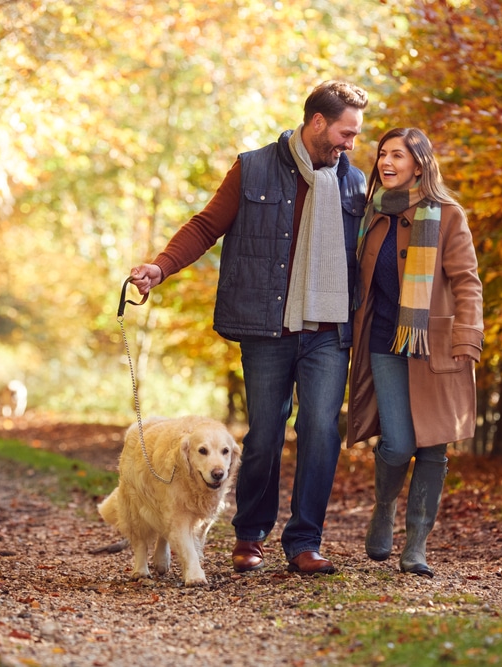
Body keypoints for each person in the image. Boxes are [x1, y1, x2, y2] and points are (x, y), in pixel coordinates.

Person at [128, 81, 369, 575]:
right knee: (264, 434)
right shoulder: (253, 167)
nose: (351, 144)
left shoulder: (354, 182)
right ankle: (251, 534)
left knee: (321, 429)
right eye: (346, 132)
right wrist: (161, 267)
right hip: (267, 326)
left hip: (328, 329)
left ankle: (305, 541)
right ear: (317, 123)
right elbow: (204, 225)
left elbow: (377, 247)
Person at [346, 127, 483, 577]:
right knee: (398, 442)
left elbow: (466, 282)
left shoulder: (447, 215)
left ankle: (416, 547)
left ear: (419, 163)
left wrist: (469, 335)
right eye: (382, 154)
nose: (386, 162)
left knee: (433, 450)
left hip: (435, 346)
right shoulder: (371, 214)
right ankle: (383, 508)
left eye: (397, 156)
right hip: (385, 342)